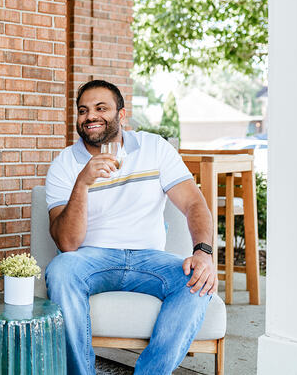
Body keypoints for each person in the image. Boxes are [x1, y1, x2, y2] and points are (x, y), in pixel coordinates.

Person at [44, 80, 217, 375]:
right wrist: (83, 183)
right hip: (92, 259)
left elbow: (194, 204)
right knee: (61, 269)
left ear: (122, 115)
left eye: (101, 108)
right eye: (83, 110)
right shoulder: (64, 164)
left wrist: (203, 252)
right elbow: (67, 244)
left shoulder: (155, 148)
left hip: (149, 259)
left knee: (199, 280)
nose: (90, 116)